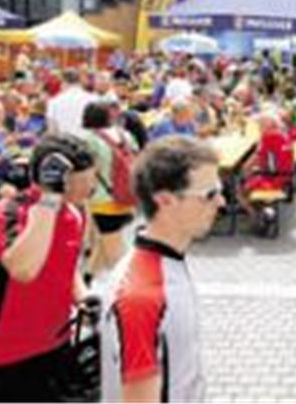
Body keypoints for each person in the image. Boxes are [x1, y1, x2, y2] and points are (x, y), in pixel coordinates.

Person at [0, 133, 98, 402]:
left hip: (57, 344)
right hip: (9, 355)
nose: (91, 188)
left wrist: (84, 297)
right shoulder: (8, 211)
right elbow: (24, 269)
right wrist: (48, 201)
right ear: (59, 181)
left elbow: (66, 264)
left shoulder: (73, 213)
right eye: (85, 181)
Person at [100, 135, 225, 403]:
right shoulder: (142, 298)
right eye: (210, 194)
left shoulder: (168, 263)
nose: (221, 202)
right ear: (165, 200)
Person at [81, 101, 139, 282]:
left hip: (103, 199)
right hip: (128, 196)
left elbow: (87, 169)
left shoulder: (90, 140)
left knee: (114, 252)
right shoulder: (126, 136)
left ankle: (127, 285)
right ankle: (88, 278)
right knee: (103, 243)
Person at [47, 69, 97, 134]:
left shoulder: (54, 102)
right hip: (86, 138)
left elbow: (52, 130)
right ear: (79, 82)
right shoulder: (93, 99)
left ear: (63, 83)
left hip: (64, 138)